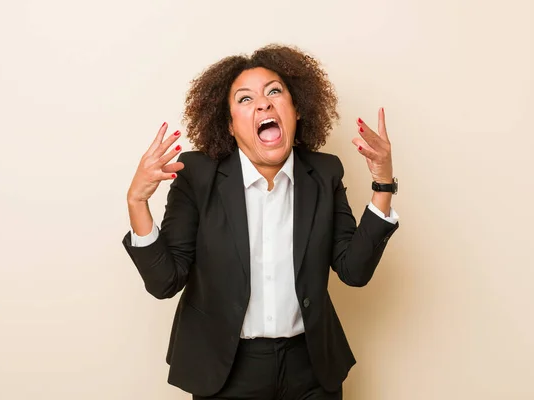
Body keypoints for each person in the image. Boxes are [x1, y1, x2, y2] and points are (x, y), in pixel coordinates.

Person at [122, 44, 400, 400]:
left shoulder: (323, 173)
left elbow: (354, 270)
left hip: (311, 370)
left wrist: (383, 184)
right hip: (227, 372)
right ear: (230, 125)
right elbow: (164, 282)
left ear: (296, 109)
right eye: (245, 99)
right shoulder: (198, 176)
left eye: (274, 91)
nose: (264, 104)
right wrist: (137, 202)